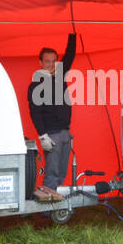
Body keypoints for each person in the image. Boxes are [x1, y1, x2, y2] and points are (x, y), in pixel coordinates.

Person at [28, 33, 76, 201]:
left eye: (54, 61)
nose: (51, 64)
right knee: (52, 172)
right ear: (40, 62)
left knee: (62, 172)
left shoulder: (60, 76)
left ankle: (54, 203)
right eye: (47, 61)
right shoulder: (36, 85)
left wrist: (72, 34)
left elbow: (70, 56)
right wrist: (43, 136)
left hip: (65, 132)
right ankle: (48, 210)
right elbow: (35, 112)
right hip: (51, 135)